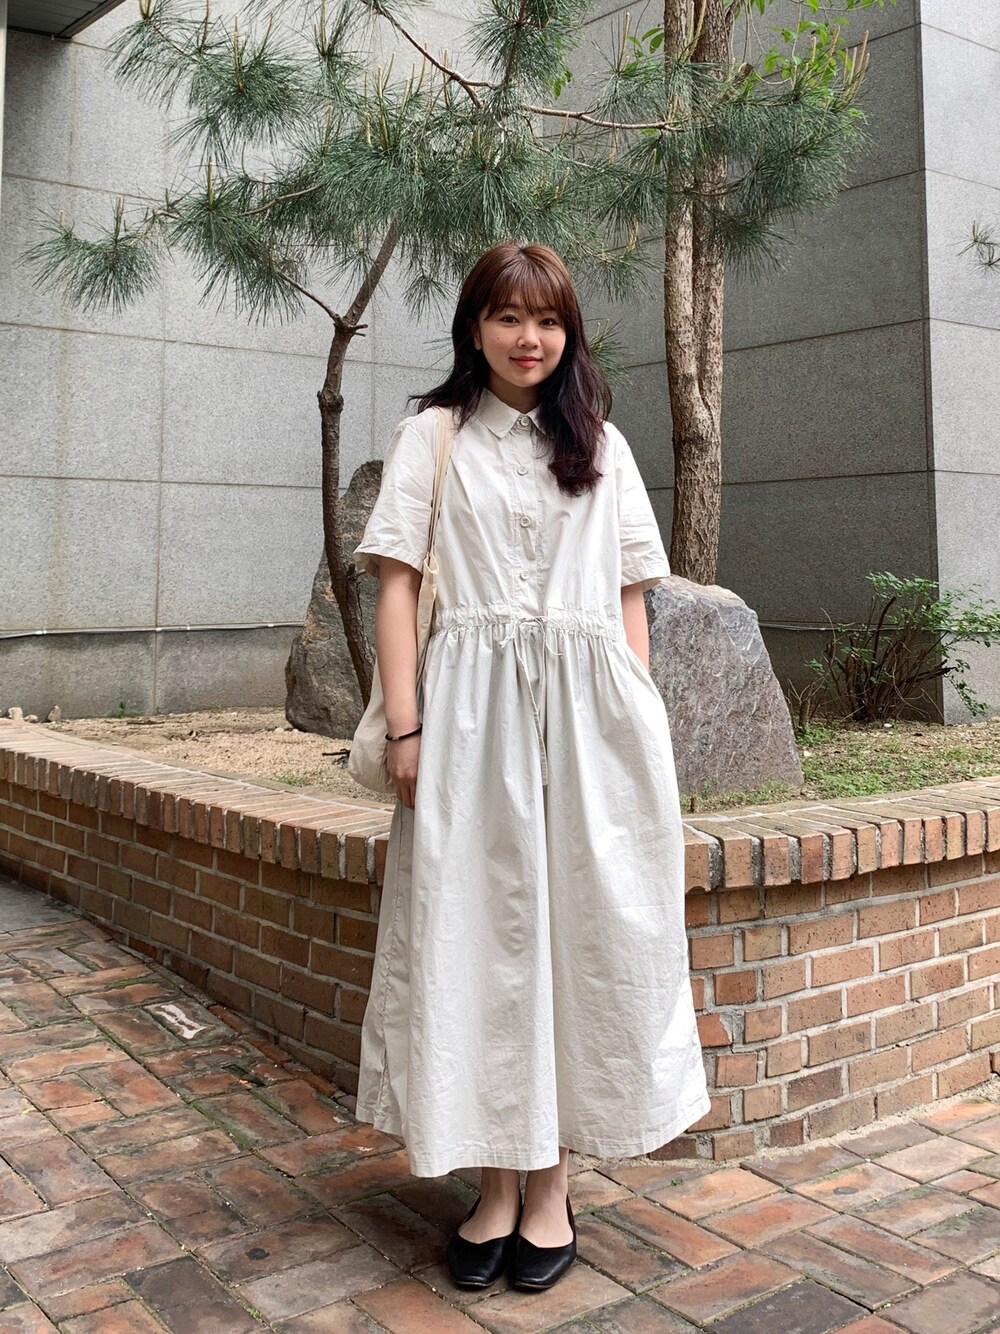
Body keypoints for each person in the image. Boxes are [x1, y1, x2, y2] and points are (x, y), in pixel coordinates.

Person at [352, 242, 710, 1293]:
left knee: (579, 940)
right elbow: (397, 585)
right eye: (508, 316)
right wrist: (407, 730)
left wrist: (637, 726)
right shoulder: (433, 436)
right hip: (468, 726)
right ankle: (495, 1185)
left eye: (547, 319)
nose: (528, 337)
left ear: (569, 333)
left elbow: (631, 596)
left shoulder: (602, 442)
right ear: (475, 327)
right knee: (476, 941)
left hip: (592, 729)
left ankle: (550, 1185)